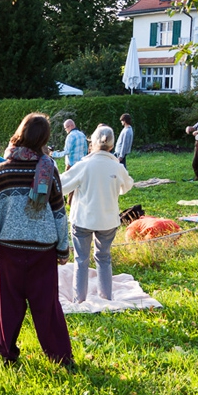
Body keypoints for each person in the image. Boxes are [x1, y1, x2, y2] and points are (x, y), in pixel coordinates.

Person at [0, 113, 72, 366]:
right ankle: (61, 358)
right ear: (43, 139)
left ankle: (3, 353)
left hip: (9, 250)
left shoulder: (1, 170)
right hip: (44, 251)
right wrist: (63, 249)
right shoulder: (49, 169)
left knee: (7, 304)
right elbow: (59, 213)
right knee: (47, 307)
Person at [60, 125, 134, 303]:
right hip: (108, 219)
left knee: (81, 260)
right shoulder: (116, 166)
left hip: (83, 219)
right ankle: (106, 297)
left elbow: (62, 186)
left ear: (92, 143)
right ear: (111, 145)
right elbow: (127, 186)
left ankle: (80, 299)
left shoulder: (84, 165)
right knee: (104, 258)